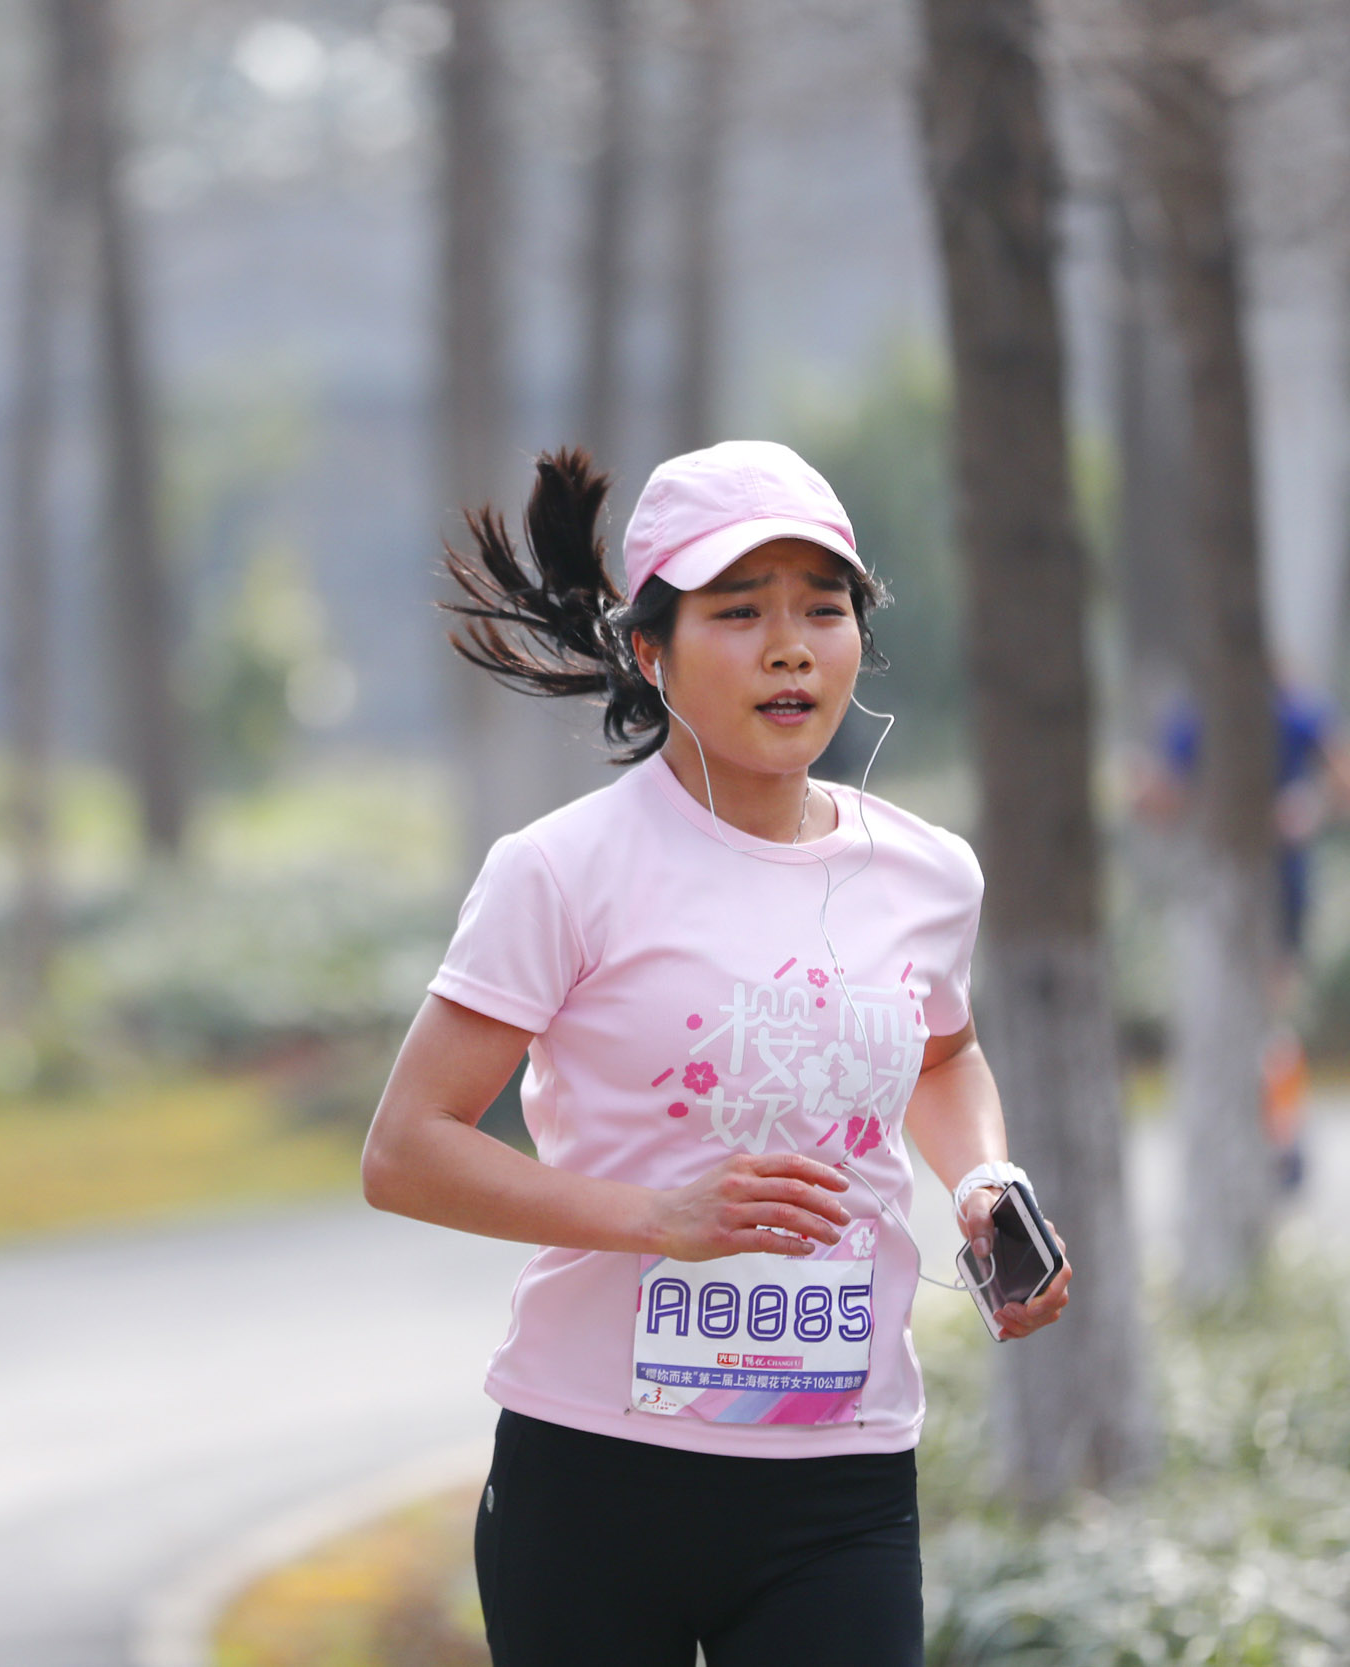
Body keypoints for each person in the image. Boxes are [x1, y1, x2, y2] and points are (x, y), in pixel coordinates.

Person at [362, 443, 1071, 1667]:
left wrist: (981, 1184)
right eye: (738, 611)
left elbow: (944, 1058)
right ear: (650, 649)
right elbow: (405, 1152)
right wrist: (659, 1214)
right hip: (592, 1471)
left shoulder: (926, 874)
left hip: (837, 1472)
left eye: (822, 607)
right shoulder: (562, 869)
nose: (789, 645)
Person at [1133, 679, 1350, 1187]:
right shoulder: (1285, 711)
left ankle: (1267, 1143)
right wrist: (1307, 809)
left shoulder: (1219, 715)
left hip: (1239, 893)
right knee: (1265, 1022)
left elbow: (1160, 800)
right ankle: (1275, 1143)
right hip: (1259, 889)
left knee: (1244, 1023)